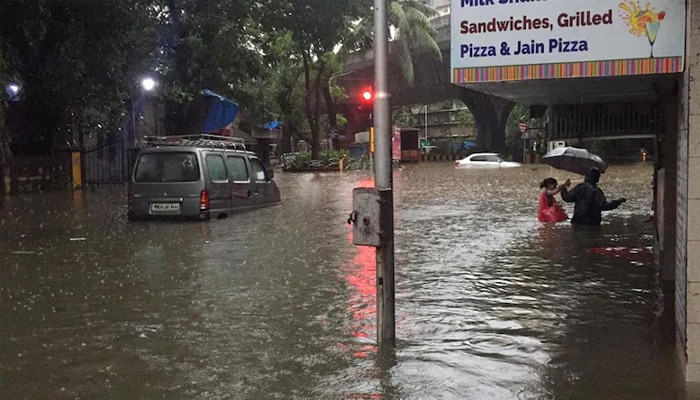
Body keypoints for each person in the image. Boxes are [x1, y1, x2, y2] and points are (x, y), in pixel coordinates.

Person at [560, 167, 626, 226]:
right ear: (597, 179)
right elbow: (604, 206)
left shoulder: (579, 187)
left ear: (586, 177)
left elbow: (566, 197)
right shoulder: (596, 191)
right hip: (592, 222)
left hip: (577, 220)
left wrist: (563, 187)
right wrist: (618, 201)